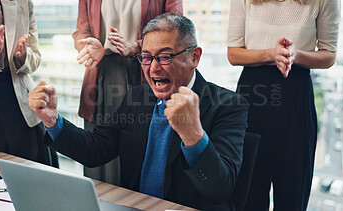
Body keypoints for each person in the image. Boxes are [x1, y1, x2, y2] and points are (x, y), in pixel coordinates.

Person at [29, 13, 248, 211]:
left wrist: (193, 135)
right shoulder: (137, 97)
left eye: (164, 57)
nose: (153, 68)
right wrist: (52, 121)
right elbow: (96, 149)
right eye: (146, 57)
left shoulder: (228, 105)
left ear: (195, 57)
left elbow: (219, 189)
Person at [227, 0, 341, 210]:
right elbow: (233, 53)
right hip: (253, 96)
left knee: (293, 196)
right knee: (248, 196)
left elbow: (328, 55)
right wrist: (271, 54)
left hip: (295, 98)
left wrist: (295, 55)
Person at [72, 0, 183, 185]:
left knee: (139, 155)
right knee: (98, 151)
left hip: (144, 70)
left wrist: (137, 46)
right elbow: (81, 31)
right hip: (101, 75)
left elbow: (177, 28)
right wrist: (88, 45)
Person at [0, 0, 57, 167]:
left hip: (23, 111)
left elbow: (35, 58)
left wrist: (22, 57)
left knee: (33, 183)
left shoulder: (23, 2)